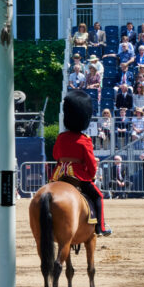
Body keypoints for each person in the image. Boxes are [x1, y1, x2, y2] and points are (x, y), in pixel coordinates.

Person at [52, 89, 112, 236]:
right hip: (78, 175)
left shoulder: (61, 137)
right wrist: (90, 174)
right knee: (98, 196)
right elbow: (91, 165)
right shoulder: (84, 139)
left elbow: (55, 155)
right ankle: (101, 227)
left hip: (59, 174)